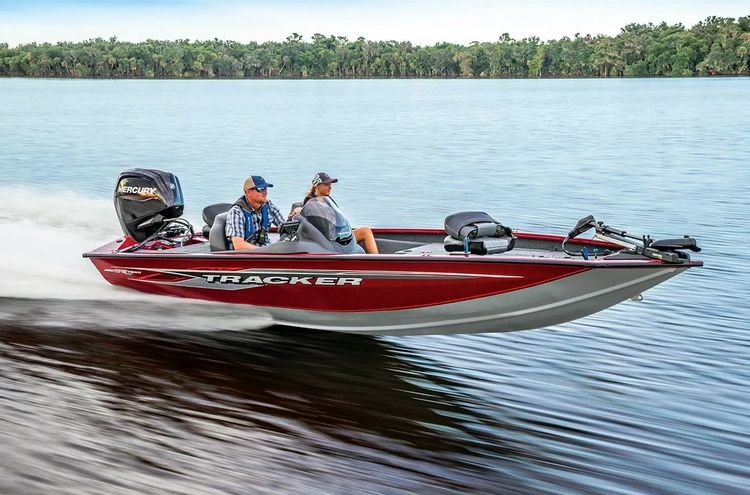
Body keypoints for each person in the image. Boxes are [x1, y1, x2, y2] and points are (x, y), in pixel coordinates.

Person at [292, 172, 379, 254]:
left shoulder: (328, 201)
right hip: (327, 240)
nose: (330, 187)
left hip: (337, 236)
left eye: (330, 184)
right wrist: (300, 210)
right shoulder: (310, 203)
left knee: (365, 231)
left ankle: (377, 260)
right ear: (317, 186)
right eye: (326, 184)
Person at [225, 175, 285, 250]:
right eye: (261, 189)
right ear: (248, 192)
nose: (265, 192)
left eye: (266, 188)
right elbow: (238, 245)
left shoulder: (267, 205)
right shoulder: (236, 212)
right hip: (246, 256)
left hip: (265, 249)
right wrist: (266, 251)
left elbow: (284, 225)